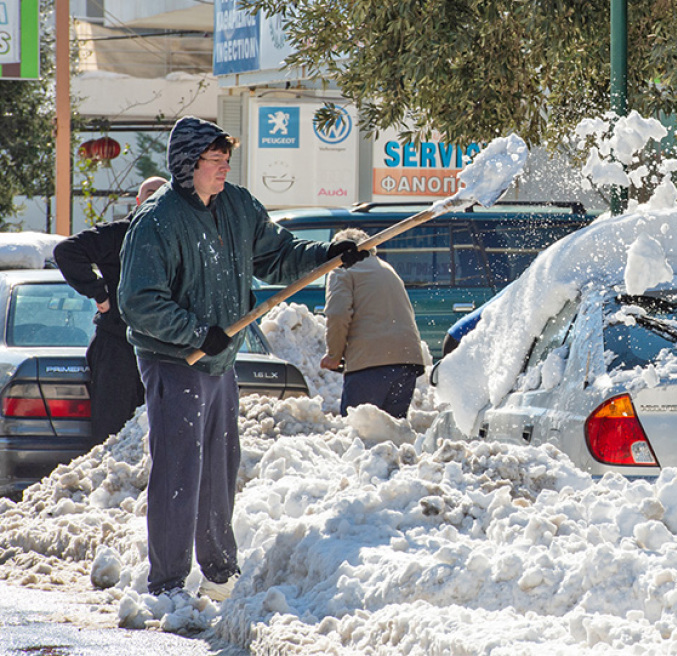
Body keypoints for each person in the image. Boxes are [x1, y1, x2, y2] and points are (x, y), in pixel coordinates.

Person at [118, 116, 368, 600]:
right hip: (175, 361)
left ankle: (219, 572)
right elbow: (140, 301)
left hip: (219, 360)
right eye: (214, 161)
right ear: (187, 164)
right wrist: (194, 333)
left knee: (219, 466)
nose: (222, 170)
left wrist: (329, 254)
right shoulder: (157, 222)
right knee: (178, 469)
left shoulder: (237, 206)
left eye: (226, 161)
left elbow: (277, 255)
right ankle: (167, 582)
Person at [53, 176, 168, 442]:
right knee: (112, 434)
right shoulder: (118, 233)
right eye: (149, 193)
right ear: (138, 201)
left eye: (162, 194)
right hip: (118, 345)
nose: (155, 198)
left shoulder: (177, 239)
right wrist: (98, 291)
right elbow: (67, 251)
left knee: (156, 432)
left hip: (162, 347)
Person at [320, 228, 425, 418]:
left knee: (358, 432)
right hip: (407, 363)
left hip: (370, 365)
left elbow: (338, 313)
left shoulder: (343, 269)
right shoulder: (387, 269)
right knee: (392, 436)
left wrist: (334, 355)